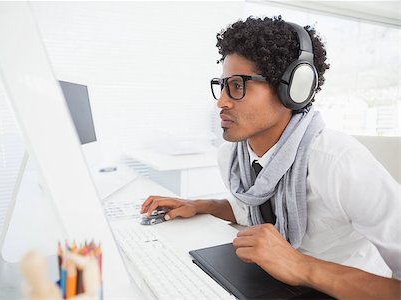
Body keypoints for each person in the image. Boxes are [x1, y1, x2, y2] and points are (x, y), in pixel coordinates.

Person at [141, 16, 401, 299]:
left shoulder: (339, 162)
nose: (221, 101)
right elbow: (257, 207)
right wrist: (203, 205)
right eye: (222, 84)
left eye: (238, 85)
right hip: (272, 284)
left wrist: (302, 266)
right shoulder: (232, 157)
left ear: (292, 89)